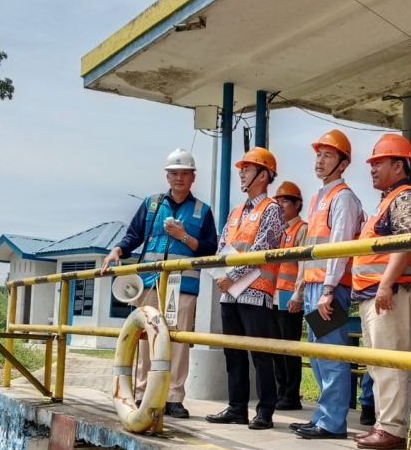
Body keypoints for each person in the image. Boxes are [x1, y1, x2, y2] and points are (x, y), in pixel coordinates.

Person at [102, 148, 218, 418]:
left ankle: (174, 398)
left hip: (183, 287)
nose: (179, 178)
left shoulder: (203, 211)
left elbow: (210, 250)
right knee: (146, 339)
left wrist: (184, 236)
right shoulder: (152, 204)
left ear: (193, 178)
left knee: (177, 341)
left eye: (184, 174)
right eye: (174, 173)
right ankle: (143, 392)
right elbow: (133, 236)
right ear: (167, 176)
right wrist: (117, 250)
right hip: (150, 283)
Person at [352, 134, 411, 450]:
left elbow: (405, 242)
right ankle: (385, 424)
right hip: (377, 294)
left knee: (388, 361)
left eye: (379, 163)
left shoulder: (407, 198)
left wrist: (385, 283)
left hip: (391, 293)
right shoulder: (389, 200)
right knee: (377, 362)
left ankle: (392, 428)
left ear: (399, 165)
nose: (372, 168)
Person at [292, 130, 364, 441]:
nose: (320, 161)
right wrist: (302, 288)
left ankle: (333, 422)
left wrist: (329, 290)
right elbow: (312, 247)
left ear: (343, 164)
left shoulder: (343, 197)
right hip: (314, 286)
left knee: (331, 355)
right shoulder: (318, 198)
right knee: (319, 356)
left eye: (328, 156)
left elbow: (340, 244)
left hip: (329, 288)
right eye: (319, 155)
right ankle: (323, 416)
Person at [206, 147, 284, 431]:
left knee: (260, 353)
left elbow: (262, 248)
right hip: (230, 291)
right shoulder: (237, 211)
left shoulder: (271, 209)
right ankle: (237, 407)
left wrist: (231, 276)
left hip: (256, 291)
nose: (242, 173)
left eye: (248, 169)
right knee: (234, 352)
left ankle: (265, 411)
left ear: (264, 175)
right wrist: (221, 276)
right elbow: (223, 245)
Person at [272, 181, 307, 411]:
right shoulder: (277, 230)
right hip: (274, 296)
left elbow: (304, 264)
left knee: (289, 348)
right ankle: (281, 391)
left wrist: (298, 294)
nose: (280, 205)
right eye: (278, 201)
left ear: (297, 204)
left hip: (289, 296)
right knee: (276, 347)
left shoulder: (301, 229)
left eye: (285, 201)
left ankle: (291, 395)